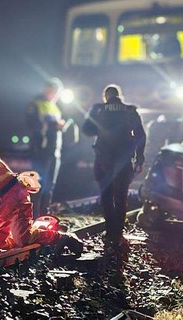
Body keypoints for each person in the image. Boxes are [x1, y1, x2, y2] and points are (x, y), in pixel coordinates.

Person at [82, 84, 146, 253]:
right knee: (120, 196)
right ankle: (117, 234)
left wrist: (101, 127)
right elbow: (140, 134)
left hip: (103, 158)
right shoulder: (129, 110)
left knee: (106, 194)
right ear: (119, 96)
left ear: (106, 96)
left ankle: (109, 230)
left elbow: (87, 130)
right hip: (124, 160)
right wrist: (140, 158)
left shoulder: (99, 109)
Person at [26, 78, 67, 216]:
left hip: (55, 151)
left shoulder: (55, 107)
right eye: (51, 90)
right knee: (38, 185)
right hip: (41, 150)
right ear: (46, 89)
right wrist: (53, 126)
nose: (53, 94)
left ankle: (45, 215)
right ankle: (34, 216)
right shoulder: (35, 103)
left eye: (56, 92)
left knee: (50, 185)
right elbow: (32, 124)